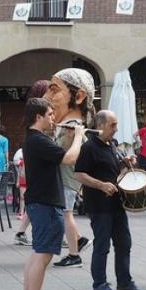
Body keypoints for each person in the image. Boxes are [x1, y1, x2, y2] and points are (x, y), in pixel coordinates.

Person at [19, 97, 84, 290]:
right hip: (46, 203)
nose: (53, 118)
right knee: (43, 255)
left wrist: (68, 137)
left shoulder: (35, 139)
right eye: (49, 114)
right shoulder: (37, 140)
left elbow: (57, 155)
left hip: (41, 202)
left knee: (37, 253)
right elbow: (69, 158)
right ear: (38, 117)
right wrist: (78, 137)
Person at [73, 110, 144, 290]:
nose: (116, 129)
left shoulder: (112, 144)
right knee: (102, 245)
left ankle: (124, 282)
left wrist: (125, 162)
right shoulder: (89, 148)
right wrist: (101, 185)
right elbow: (79, 174)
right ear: (100, 126)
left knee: (124, 243)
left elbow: (112, 167)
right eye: (112, 125)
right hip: (98, 204)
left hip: (117, 202)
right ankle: (99, 284)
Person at [47, 68, 94, 269]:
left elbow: (64, 155)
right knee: (66, 212)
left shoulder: (72, 127)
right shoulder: (67, 126)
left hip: (67, 180)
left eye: (54, 90)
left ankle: (74, 255)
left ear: (79, 96)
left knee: (66, 213)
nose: (48, 97)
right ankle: (79, 241)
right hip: (66, 179)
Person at [13, 79, 51, 246]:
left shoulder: (36, 114)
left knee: (35, 199)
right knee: (37, 199)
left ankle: (22, 232)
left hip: (34, 165)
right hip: (37, 166)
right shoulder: (39, 115)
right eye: (49, 91)